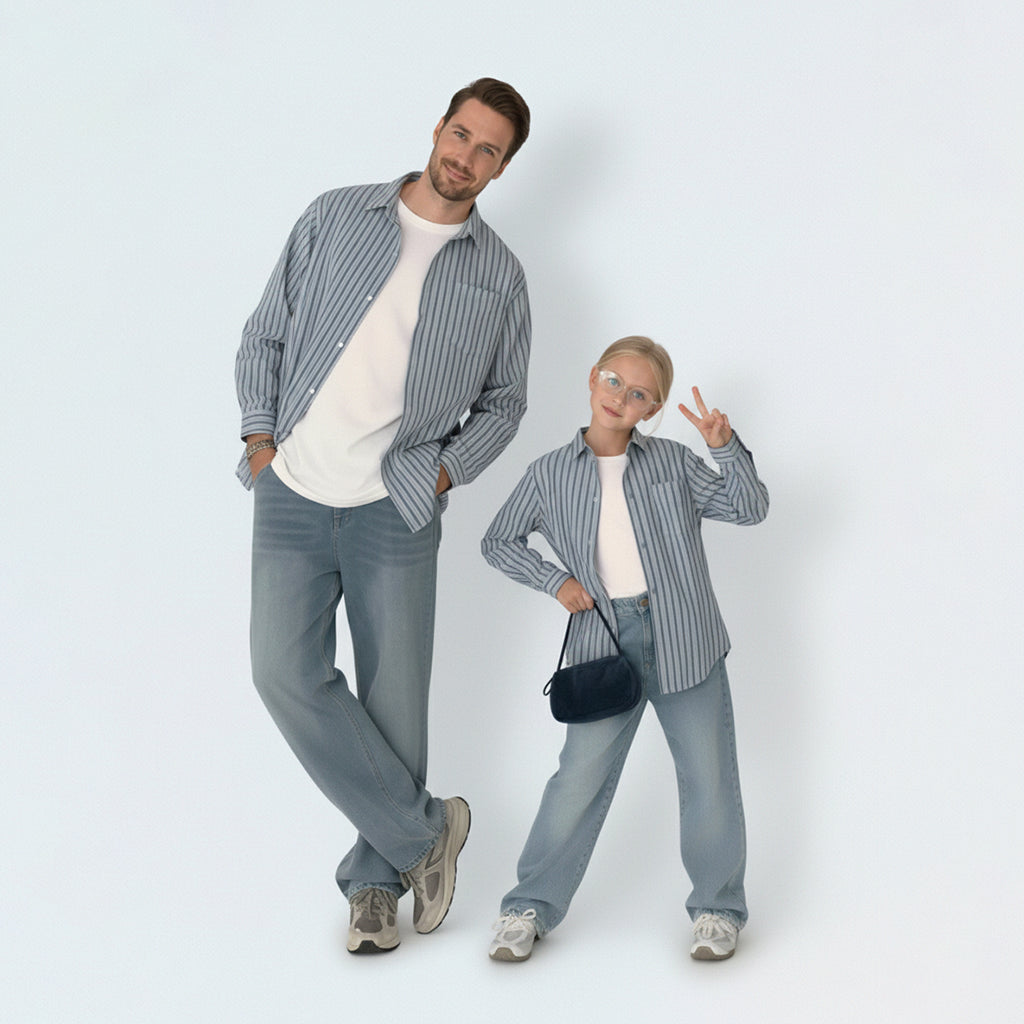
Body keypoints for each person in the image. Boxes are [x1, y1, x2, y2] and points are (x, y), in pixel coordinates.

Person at [235, 78, 531, 954]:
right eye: (461, 134)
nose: (466, 157)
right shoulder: (336, 215)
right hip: (293, 487)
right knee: (280, 672)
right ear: (437, 127)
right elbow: (267, 331)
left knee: (394, 704)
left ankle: (373, 888)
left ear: (502, 168)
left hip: (395, 506)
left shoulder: (499, 273)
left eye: (488, 151)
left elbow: (507, 403)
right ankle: (426, 834)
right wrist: (260, 442)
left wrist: (442, 473)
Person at [480, 336, 769, 962]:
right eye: (614, 381)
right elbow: (498, 540)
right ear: (592, 379)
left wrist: (723, 446)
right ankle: (528, 905)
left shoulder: (673, 463)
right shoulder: (549, 474)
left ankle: (718, 909)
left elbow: (750, 508)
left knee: (709, 778)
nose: (621, 397)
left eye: (639, 393)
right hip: (603, 645)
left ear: (652, 408)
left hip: (685, 637)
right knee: (577, 779)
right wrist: (555, 581)